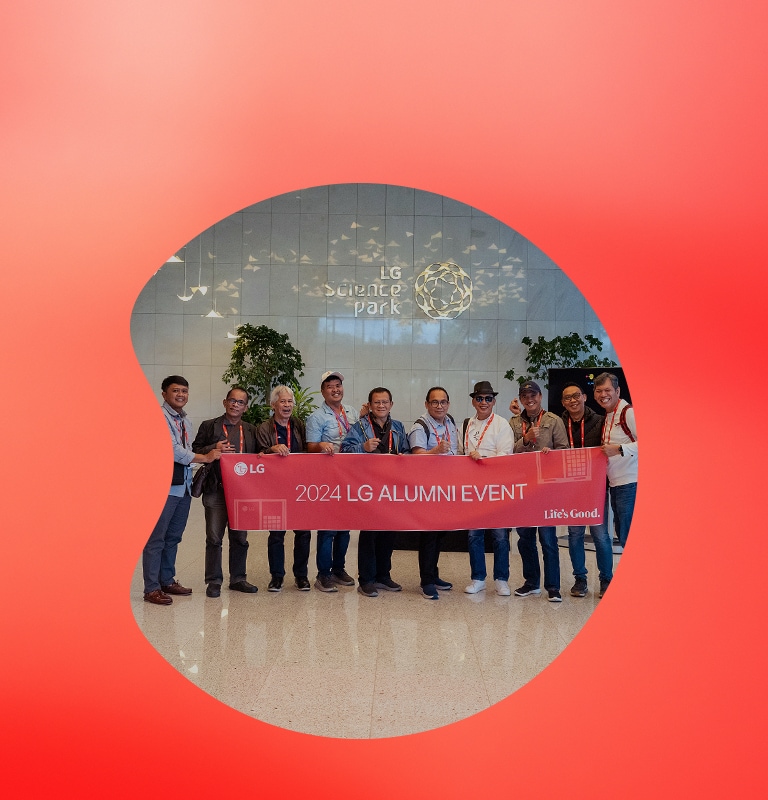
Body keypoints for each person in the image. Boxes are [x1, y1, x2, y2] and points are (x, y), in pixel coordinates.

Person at [143, 376, 220, 606]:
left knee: (173, 537)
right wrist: (205, 457)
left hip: (183, 486)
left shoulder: (185, 420)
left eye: (184, 391)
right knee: (156, 538)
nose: (181, 395)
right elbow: (172, 450)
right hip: (164, 487)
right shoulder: (159, 417)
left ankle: (166, 579)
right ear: (164, 394)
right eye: (176, 390)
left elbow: (186, 449)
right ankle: (151, 588)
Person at [340, 387, 410, 597]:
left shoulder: (398, 427)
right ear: (369, 405)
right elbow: (344, 451)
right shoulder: (360, 426)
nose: (381, 406)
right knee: (370, 533)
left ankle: (383, 575)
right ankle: (367, 579)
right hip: (369, 488)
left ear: (391, 404)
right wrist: (363, 446)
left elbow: (407, 452)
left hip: (391, 488)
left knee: (389, 532)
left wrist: (402, 456)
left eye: (385, 402)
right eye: (377, 402)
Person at [192, 386, 259, 598]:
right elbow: (195, 450)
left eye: (240, 402)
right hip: (216, 489)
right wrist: (213, 448)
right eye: (232, 400)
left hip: (242, 492)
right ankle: (213, 581)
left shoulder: (251, 430)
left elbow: (259, 456)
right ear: (224, 402)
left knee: (240, 537)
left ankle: (238, 578)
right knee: (214, 537)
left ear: (246, 408)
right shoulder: (209, 426)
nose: (235, 404)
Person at [509, 381, 568, 602]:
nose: (529, 399)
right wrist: (526, 440)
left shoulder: (553, 421)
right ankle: (531, 582)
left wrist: (551, 454)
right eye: (524, 396)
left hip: (546, 490)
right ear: (521, 399)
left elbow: (564, 452)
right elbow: (509, 451)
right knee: (524, 538)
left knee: (548, 539)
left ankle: (553, 586)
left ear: (540, 396)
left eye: (532, 394)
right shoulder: (514, 422)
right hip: (522, 488)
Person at [459, 381, 515, 596]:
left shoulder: (501, 424)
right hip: (473, 489)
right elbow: (460, 454)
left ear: (494, 401)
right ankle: (478, 577)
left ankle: (501, 579)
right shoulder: (467, 424)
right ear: (473, 401)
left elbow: (505, 456)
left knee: (500, 536)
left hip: (496, 488)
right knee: (474, 535)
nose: (484, 402)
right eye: (480, 398)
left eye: (488, 398)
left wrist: (481, 459)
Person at [305, 371, 359, 591]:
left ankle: (339, 569)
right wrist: (321, 446)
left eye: (338, 385)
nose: (336, 389)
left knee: (345, 527)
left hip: (351, 477)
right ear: (323, 391)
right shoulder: (316, 416)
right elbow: (310, 447)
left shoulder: (353, 412)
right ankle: (323, 574)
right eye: (330, 386)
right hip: (327, 479)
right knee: (328, 528)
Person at [559, 382, 613, 598]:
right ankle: (580, 579)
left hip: (596, 487)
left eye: (576, 396)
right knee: (574, 534)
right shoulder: (559, 423)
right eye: (567, 398)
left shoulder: (600, 421)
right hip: (571, 489)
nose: (572, 400)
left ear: (584, 397)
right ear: (563, 402)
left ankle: (606, 579)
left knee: (600, 535)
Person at [255, 386, 312, 592]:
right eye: (282, 402)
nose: (287, 405)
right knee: (277, 534)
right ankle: (277, 576)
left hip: (299, 487)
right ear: (273, 405)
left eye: (290, 402)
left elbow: (307, 450)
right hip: (275, 489)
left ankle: (301, 576)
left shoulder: (299, 425)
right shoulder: (264, 427)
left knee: (303, 533)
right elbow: (258, 453)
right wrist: (271, 449)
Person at [407, 386, 458, 600]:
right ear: (427, 404)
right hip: (427, 491)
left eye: (443, 402)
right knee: (429, 536)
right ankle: (426, 581)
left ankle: (434, 574)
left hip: (446, 489)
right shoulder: (419, 427)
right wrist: (434, 452)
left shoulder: (451, 422)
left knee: (440, 535)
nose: (439, 406)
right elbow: (416, 458)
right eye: (435, 402)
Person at [594, 372, 637, 561]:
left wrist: (619, 449)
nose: (603, 394)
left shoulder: (628, 412)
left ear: (617, 391)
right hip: (616, 484)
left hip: (630, 482)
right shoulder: (609, 414)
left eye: (607, 390)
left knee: (629, 538)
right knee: (623, 535)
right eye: (599, 391)